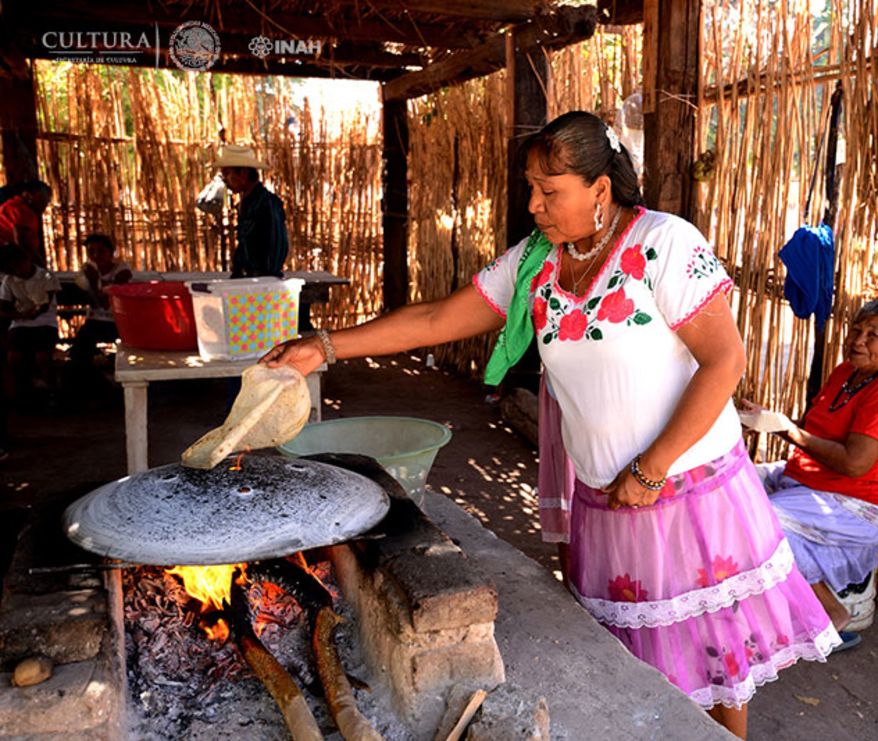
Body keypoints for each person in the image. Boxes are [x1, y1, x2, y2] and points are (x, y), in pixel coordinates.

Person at [263, 111, 839, 738]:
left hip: (686, 494)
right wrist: (325, 346)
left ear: (600, 188)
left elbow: (725, 361)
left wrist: (651, 468)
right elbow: (434, 319)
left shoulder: (663, 244)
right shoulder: (538, 262)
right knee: (632, 667)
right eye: (531, 188)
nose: (535, 204)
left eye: (551, 189)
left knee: (715, 668)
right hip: (605, 498)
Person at [742, 300, 878, 649]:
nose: (859, 340)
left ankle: (822, 614)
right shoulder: (848, 373)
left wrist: (783, 430)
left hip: (857, 502)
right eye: (856, 329)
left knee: (758, 519)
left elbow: (856, 463)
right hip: (813, 480)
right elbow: (819, 430)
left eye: (873, 335)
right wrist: (767, 419)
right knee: (734, 487)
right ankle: (814, 612)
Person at [213, 145, 289, 279]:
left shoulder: (265, 205)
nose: (225, 179)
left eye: (227, 173)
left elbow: (272, 250)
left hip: (262, 284)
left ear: (243, 174)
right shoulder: (250, 203)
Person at [0, 244, 61, 401]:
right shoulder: (9, 280)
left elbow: (44, 305)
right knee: (13, 357)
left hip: (45, 323)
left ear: (26, 260)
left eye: (18, 267)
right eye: (12, 269)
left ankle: (52, 390)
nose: (18, 272)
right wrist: (18, 314)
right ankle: (23, 390)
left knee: (42, 356)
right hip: (20, 323)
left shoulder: (46, 276)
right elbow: (4, 306)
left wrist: (28, 313)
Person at [68, 233, 132, 370]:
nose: (96, 255)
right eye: (91, 252)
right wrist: (93, 281)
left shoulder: (122, 270)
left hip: (117, 322)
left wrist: (93, 280)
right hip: (95, 321)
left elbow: (106, 303)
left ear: (111, 252)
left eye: (101, 251)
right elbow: (95, 302)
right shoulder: (86, 271)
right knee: (78, 353)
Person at [0, 180, 52, 268]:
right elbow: (22, 243)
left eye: (46, 202)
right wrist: (42, 268)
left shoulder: (11, 206)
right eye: (42, 200)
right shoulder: (22, 211)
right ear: (27, 195)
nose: (44, 205)